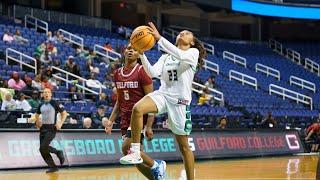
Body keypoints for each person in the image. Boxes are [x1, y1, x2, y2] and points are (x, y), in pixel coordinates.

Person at [120, 22, 207, 180]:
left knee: (184, 147)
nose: (182, 33)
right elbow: (152, 72)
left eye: (186, 32)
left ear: (192, 41)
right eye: (181, 32)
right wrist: (142, 55)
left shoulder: (193, 53)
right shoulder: (166, 56)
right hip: (163, 95)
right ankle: (135, 151)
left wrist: (159, 38)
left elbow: (180, 55)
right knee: (138, 109)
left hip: (180, 103)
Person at [104, 43, 156, 179]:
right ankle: (156, 178)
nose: (131, 51)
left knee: (128, 148)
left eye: (135, 49)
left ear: (139, 54)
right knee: (134, 159)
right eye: (128, 48)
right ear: (124, 51)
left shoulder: (142, 71)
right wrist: (111, 120)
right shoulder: (117, 73)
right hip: (124, 118)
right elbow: (119, 101)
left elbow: (152, 100)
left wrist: (149, 125)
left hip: (139, 117)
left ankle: (157, 166)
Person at [27, 88, 68, 173]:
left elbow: (64, 113)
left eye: (48, 92)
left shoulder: (55, 103)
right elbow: (36, 116)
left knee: (44, 147)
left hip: (51, 128)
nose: (46, 93)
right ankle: (53, 167)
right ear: (42, 94)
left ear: (51, 94)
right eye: (44, 92)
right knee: (42, 149)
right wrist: (34, 120)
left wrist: (60, 123)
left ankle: (58, 152)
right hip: (43, 128)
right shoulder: (40, 104)